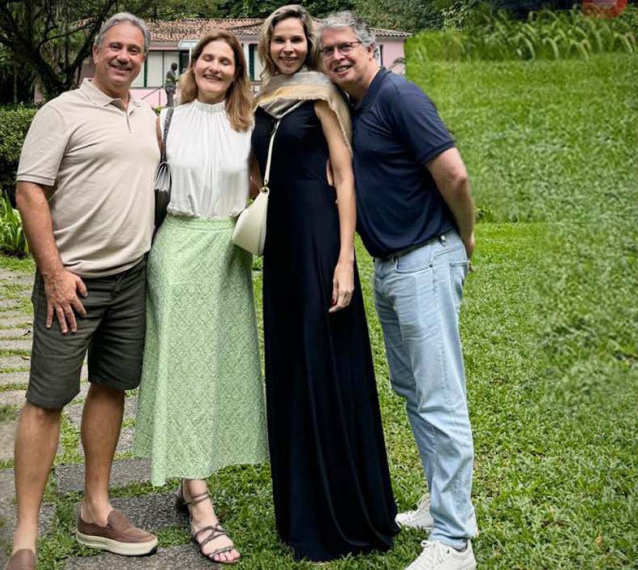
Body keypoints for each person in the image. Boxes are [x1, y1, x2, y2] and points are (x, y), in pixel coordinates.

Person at [320, 11, 479, 570]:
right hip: (390, 268)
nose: (337, 57)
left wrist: (466, 234)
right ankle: (443, 506)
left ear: (370, 49)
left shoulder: (399, 97)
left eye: (345, 47)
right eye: (328, 52)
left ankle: (456, 542)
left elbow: (454, 175)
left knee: (439, 398)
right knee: (413, 392)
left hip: (425, 260)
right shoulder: (356, 109)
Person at [6, 13, 159, 570]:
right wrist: (52, 271)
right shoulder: (61, 111)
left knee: (112, 387)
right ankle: (25, 537)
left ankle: (96, 508)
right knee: (46, 399)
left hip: (131, 276)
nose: (124, 56)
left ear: (143, 58)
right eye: (115, 47)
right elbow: (29, 191)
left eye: (134, 50)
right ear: (96, 53)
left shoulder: (146, 116)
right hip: (71, 282)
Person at [251, 5, 399, 563]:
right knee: (291, 368)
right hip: (281, 249)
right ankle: (300, 510)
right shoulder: (262, 97)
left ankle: (344, 511)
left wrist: (344, 260)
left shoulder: (321, 94)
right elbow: (258, 171)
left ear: (307, 45)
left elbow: (345, 175)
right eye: (279, 40)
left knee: (324, 365)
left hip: (318, 241)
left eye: (297, 40)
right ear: (267, 45)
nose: (289, 48)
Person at [134, 30, 268, 565]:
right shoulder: (164, 119)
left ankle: (189, 478)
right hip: (179, 246)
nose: (215, 67)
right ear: (194, 65)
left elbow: (262, 183)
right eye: (207, 59)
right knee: (184, 370)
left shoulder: (251, 122)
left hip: (228, 251)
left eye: (226, 61)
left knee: (218, 369)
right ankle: (201, 505)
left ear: (237, 70)